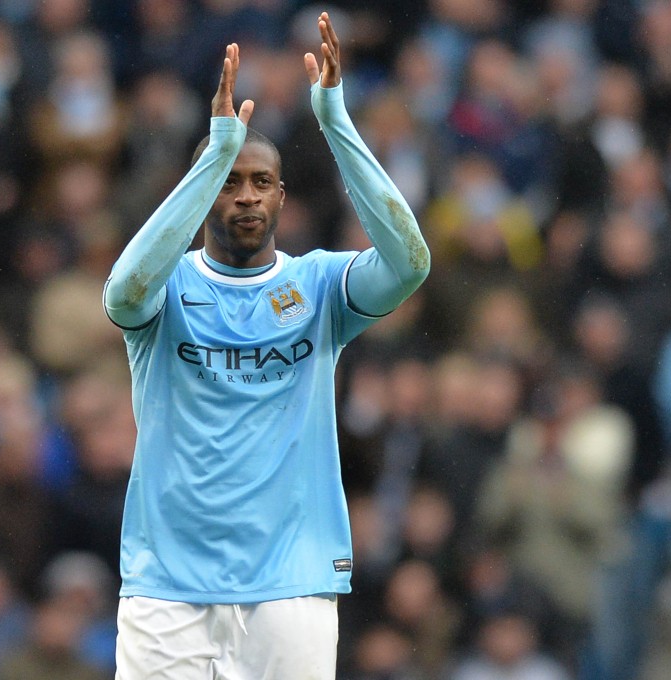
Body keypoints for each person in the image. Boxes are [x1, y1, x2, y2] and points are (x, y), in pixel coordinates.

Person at [102, 13, 429, 680]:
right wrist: (212, 156)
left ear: (281, 196)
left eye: (259, 182)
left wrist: (335, 122)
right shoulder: (166, 291)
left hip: (293, 580)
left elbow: (410, 263)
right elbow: (121, 293)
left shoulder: (318, 287)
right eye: (229, 181)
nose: (245, 196)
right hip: (168, 583)